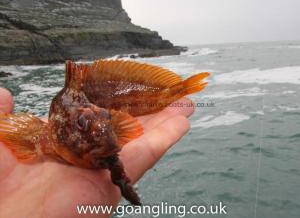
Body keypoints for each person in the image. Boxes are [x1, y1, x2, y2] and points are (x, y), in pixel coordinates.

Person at [0, 87, 194, 218]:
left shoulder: (105, 144)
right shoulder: (48, 135)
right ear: (55, 128)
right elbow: (14, 129)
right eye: (82, 124)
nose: (112, 144)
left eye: (107, 119)